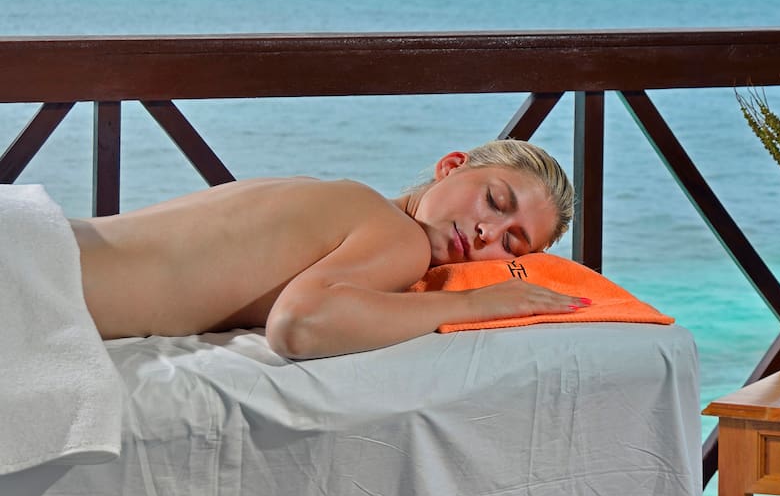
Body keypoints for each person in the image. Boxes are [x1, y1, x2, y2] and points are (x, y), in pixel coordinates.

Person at [69, 138, 586, 360]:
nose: (486, 235)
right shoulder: (398, 237)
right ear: (451, 166)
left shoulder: (342, 198)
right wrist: (475, 304)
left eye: (511, 244)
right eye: (494, 201)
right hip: (39, 277)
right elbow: (300, 327)